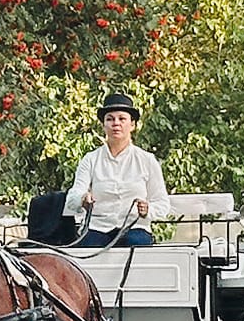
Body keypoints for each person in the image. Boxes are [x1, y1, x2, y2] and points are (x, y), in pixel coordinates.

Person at [63, 91, 169, 249]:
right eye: (110, 119)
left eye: (122, 119)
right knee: (86, 249)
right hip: (98, 227)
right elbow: (72, 197)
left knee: (137, 245)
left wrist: (148, 210)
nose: (116, 124)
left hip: (135, 227)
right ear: (103, 125)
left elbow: (162, 203)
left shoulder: (147, 160)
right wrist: (83, 199)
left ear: (132, 125)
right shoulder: (91, 159)